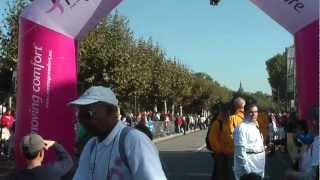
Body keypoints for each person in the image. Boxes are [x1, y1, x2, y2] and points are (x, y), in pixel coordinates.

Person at [70, 86, 166, 180]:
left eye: (88, 114)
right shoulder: (90, 147)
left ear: (112, 112)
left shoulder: (134, 141)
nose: (82, 120)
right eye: (80, 115)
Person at [234, 104, 265, 180]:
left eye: (256, 112)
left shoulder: (254, 126)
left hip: (258, 168)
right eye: (251, 112)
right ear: (246, 113)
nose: (254, 114)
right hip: (249, 171)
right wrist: (247, 172)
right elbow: (240, 152)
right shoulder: (242, 128)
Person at [208, 103, 231, 180]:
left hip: (225, 154)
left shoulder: (224, 124)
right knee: (219, 175)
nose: (228, 116)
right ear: (222, 114)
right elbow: (213, 140)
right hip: (220, 155)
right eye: (227, 114)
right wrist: (222, 151)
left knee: (221, 174)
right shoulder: (217, 124)